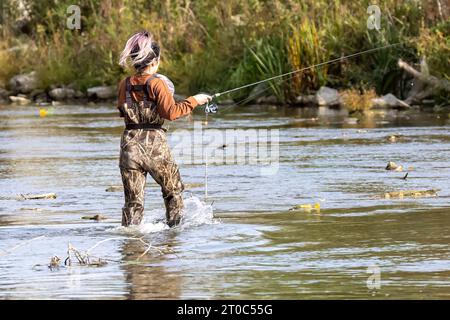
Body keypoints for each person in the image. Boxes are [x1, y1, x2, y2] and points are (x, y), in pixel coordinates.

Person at [117, 31, 211, 227]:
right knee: (173, 190)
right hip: (154, 146)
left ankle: (130, 242)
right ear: (155, 60)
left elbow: (122, 111)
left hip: (128, 146)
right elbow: (172, 113)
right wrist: (195, 100)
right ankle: (175, 234)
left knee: (133, 203)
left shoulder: (123, 84)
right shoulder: (157, 83)